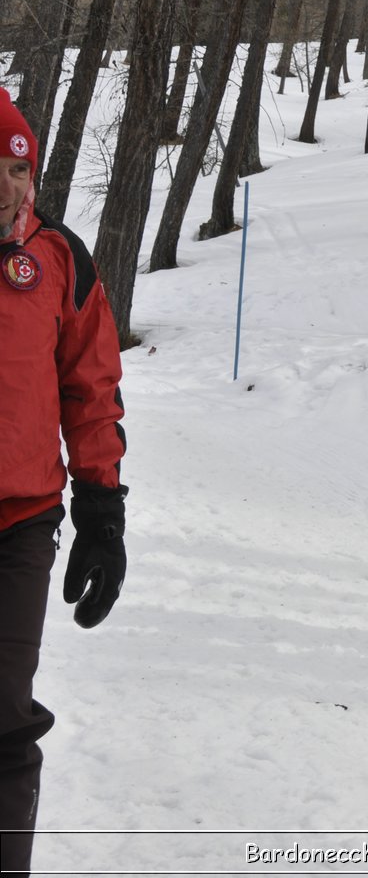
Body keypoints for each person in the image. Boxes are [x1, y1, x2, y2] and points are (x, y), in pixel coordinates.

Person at [0, 87, 128, 877]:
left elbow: (92, 391)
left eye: (17, 171)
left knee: (4, 718)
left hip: (23, 524)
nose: (6, 186)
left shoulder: (58, 259)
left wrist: (102, 514)